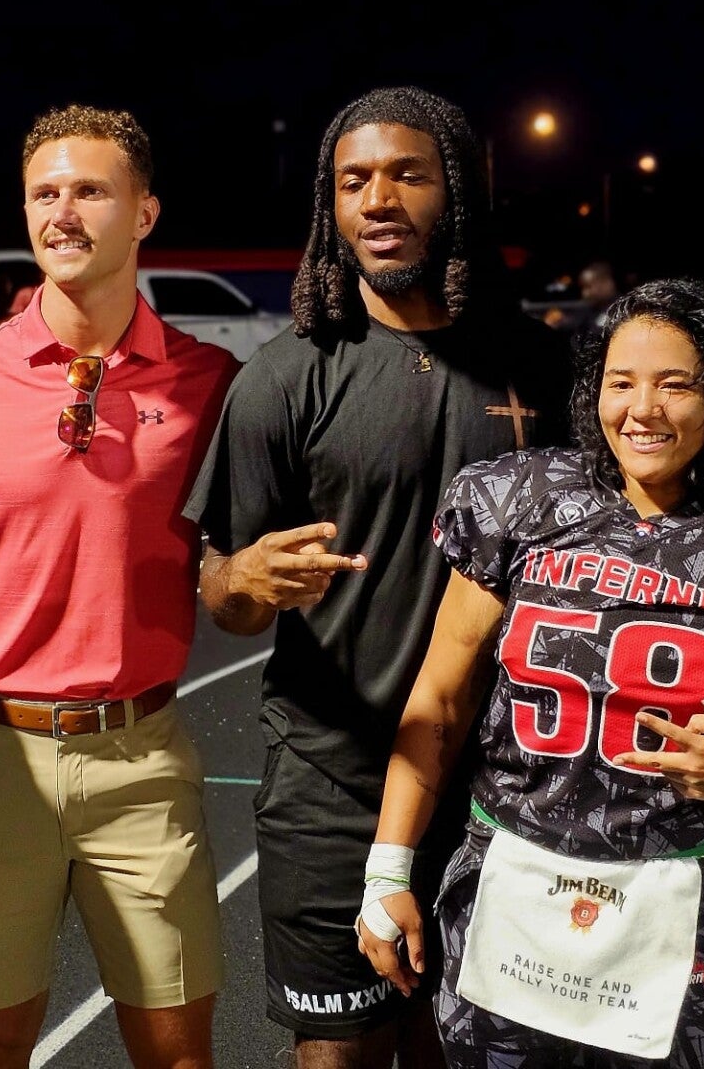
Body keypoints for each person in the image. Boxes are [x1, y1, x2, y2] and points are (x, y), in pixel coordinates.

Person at [359, 277, 704, 1067]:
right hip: (508, 889)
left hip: (665, 913)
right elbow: (442, 700)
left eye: (675, 384)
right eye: (621, 382)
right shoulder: (517, 500)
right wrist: (387, 870)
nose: (642, 409)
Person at [186, 85, 573, 1067]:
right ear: (331, 207)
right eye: (353, 181)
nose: (378, 199)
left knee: (468, 1048)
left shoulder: (542, 367)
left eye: (408, 174)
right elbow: (223, 597)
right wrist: (246, 579)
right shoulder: (283, 377)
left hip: (509, 782)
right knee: (340, 1050)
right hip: (333, 781)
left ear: (458, 190)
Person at [0, 104, 237, 1069]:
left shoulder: (211, 383)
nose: (62, 214)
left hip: (141, 757)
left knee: (179, 1054)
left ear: (145, 213)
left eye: (90, 191)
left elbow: (239, 557)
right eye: (44, 194)